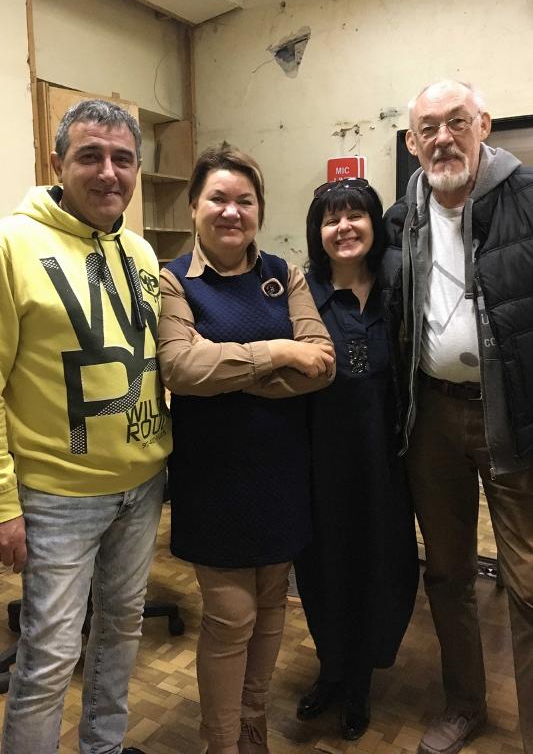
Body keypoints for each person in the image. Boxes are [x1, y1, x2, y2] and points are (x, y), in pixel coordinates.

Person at [0, 99, 171, 754]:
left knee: (120, 633)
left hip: (142, 486)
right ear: (57, 163)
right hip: (57, 496)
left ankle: (104, 748)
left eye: (123, 159)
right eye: (90, 156)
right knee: (48, 658)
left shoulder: (143, 253)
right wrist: (5, 505)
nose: (108, 173)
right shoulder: (12, 245)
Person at [157, 143, 335, 754]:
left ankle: (252, 723)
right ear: (194, 206)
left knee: (271, 608)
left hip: (281, 472)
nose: (231, 211)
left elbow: (323, 363)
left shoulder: (284, 275)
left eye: (245, 200)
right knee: (229, 618)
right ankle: (221, 742)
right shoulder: (173, 281)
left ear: (259, 209)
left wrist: (227, 371)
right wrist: (279, 352)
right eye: (218, 198)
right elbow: (181, 368)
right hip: (214, 478)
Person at [380, 79, 533, 754]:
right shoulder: (400, 219)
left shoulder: (526, 198)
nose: (443, 138)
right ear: (412, 143)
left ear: (483, 125)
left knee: (527, 581)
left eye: (456, 122)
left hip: (513, 416)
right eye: (428, 129)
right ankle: (464, 704)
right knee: (446, 574)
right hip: (431, 418)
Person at [293, 178, 419, 740]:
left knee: (380, 567)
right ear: (317, 233)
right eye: (331, 219)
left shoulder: (400, 288)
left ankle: (360, 681)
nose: (344, 227)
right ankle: (331, 670)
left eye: (355, 216)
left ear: (374, 223)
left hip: (385, 466)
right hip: (320, 466)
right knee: (323, 571)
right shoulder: (301, 297)